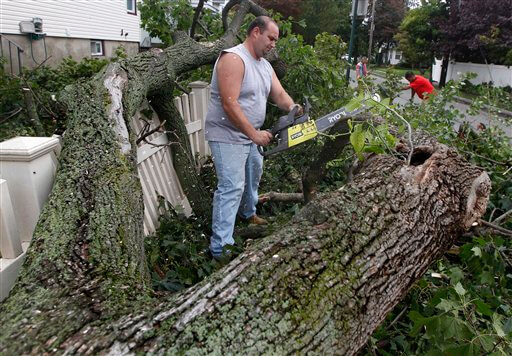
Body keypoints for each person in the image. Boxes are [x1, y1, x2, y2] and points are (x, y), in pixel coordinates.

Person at [204, 16, 300, 258]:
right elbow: (229, 104)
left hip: (250, 134)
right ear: (256, 32)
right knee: (231, 187)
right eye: (271, 38)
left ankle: (248, 213)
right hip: (228, 135)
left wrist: (294, 109)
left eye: (276, 41)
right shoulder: (234, 59)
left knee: (252, 177)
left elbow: (279, 94)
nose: (273, 45)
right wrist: (254, 134)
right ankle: (220, 247)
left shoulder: (264, 66)